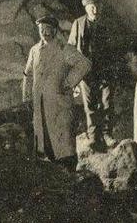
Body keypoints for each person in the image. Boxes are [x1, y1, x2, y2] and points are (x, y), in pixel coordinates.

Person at [23, 15, 92, 170]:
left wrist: (68, 82)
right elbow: (28, 75)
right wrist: (26, 96)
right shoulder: (34, 50)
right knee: (44, 141)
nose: (45, 33)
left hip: (59, 103)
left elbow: (85, 64)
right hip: (40, 103)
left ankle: (69, 170)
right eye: (42, 30)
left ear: (54, 30)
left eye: (48, 29)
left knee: (63, 144)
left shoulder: (64, 49)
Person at [69, 0, 114, 152]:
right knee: (90, 104)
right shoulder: (79, 24)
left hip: (104, 69)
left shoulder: (104, 24)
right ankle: (93, 135)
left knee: (107, 101)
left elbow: (111, 47)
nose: (94, 9)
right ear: (86, 8)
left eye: (95, 6)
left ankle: (107, 134)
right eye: (91, 7)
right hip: (87, 71)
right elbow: (71, 48)